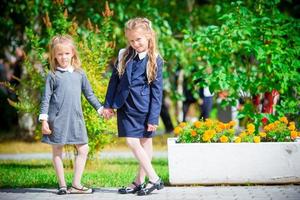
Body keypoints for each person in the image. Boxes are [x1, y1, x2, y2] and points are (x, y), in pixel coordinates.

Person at [102, 17, 164, 196]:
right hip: (125, 108)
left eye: (139, 39)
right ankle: (152, 179)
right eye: (131, 40)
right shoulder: (124, 55)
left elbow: (157, 92)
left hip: (144, 109)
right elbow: (114, 81)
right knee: (132, 141)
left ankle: (142, 181)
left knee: (145, 143)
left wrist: (153, 118)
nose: (135, 44)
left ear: (149, 37)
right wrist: (108, 105)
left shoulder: (155, 60)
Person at [39, 35, 103, 195]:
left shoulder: (80, 74)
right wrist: (44, 120)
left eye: (67, 53)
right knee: (57, 151)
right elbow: (45, 99)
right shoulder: (52, 75)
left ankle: (75, 184)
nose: (63, 57)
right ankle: (62, 185)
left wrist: (101, 109)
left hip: (76, 119)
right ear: (54, 56)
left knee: (83, 149)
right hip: (57, 119)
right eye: (59, 54)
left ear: (73, 53)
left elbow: (89, 94)